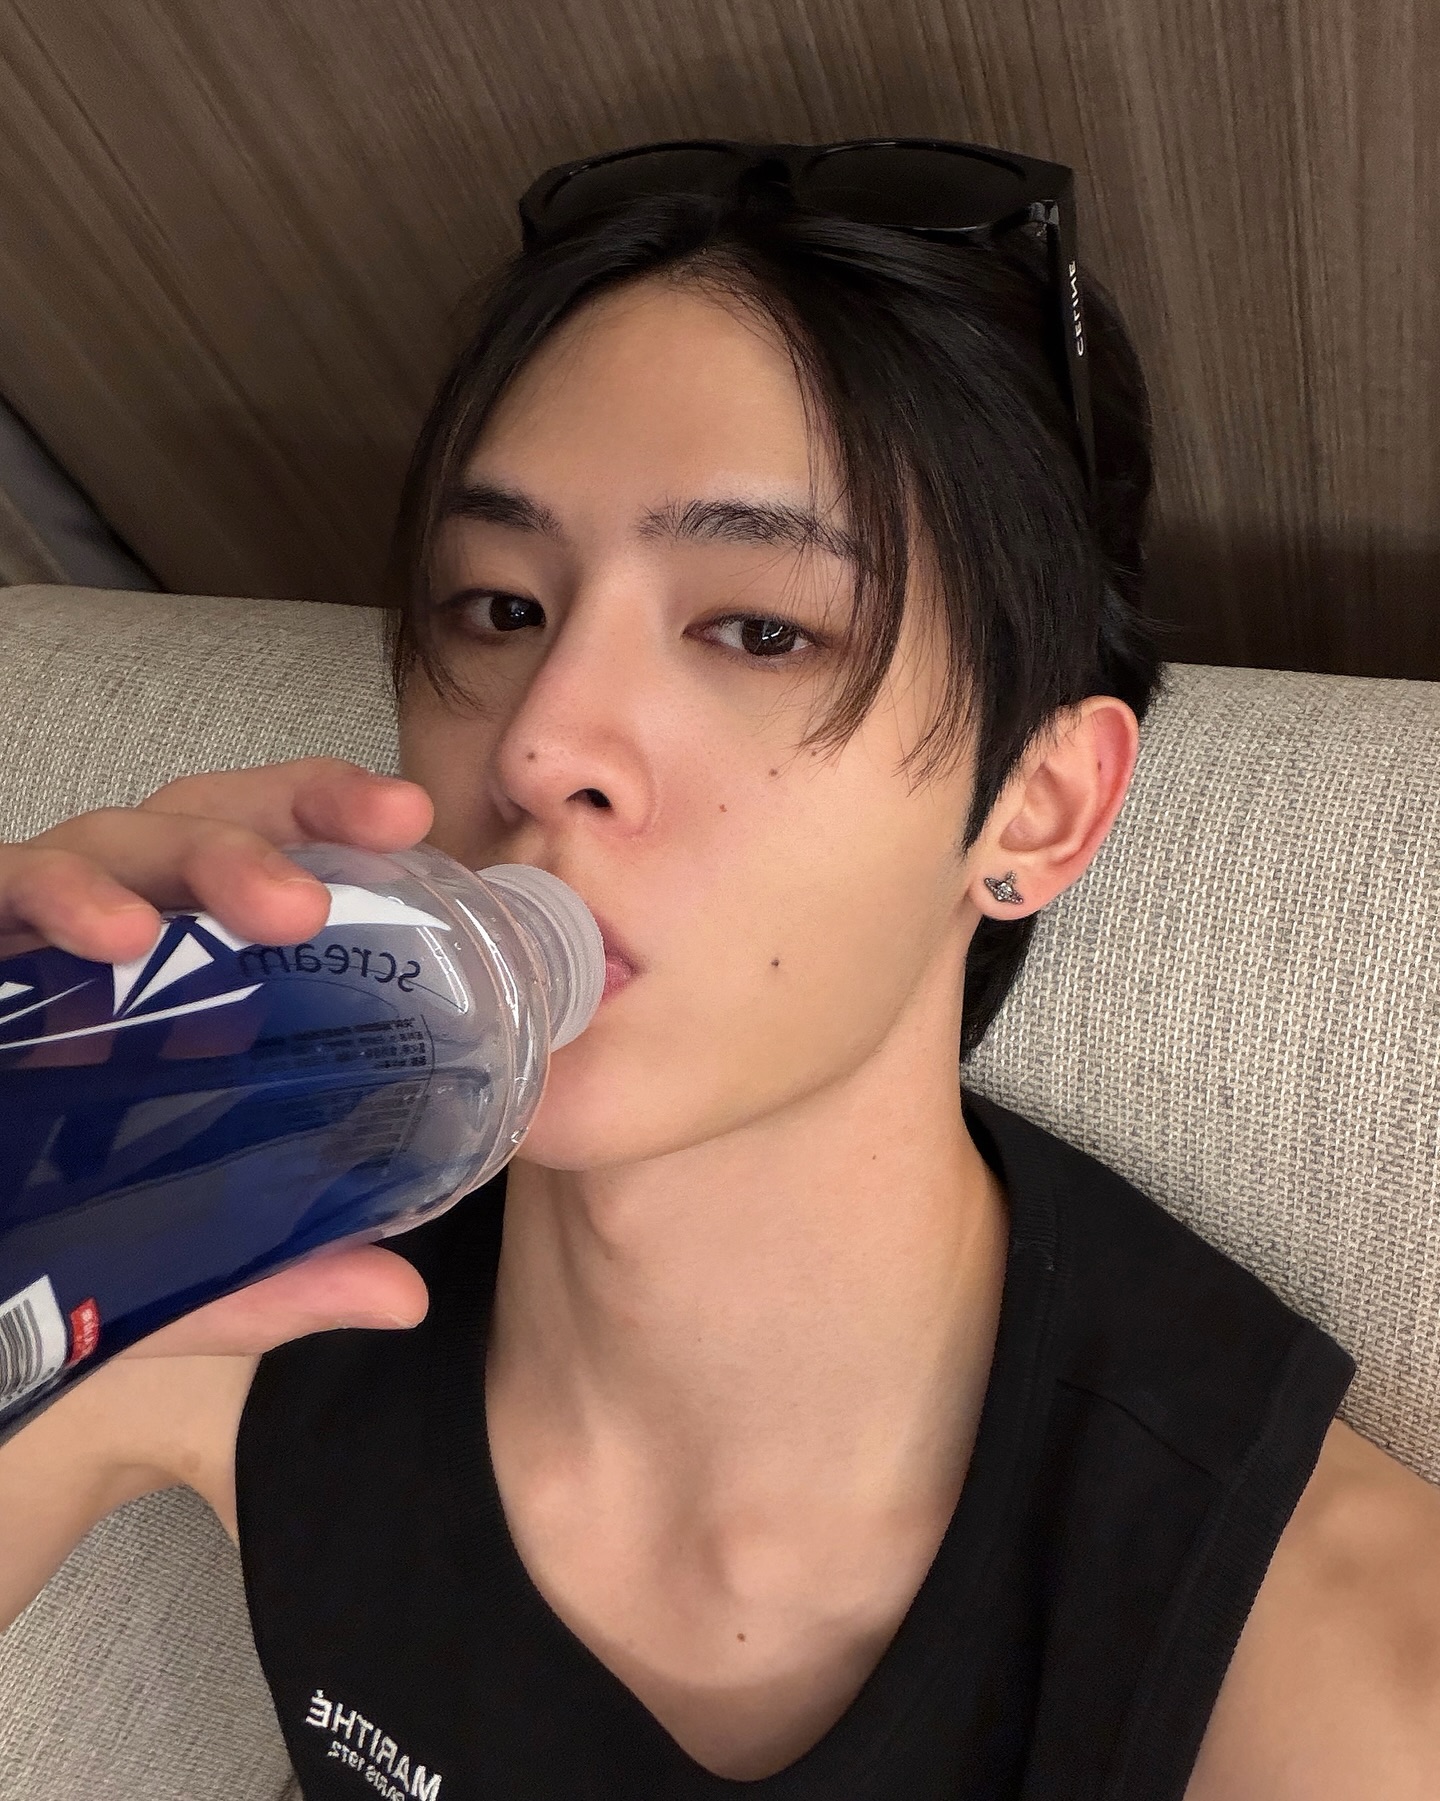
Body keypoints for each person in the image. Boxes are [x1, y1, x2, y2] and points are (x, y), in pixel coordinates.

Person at [2, 138, 1438, 1799]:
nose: (539, 746)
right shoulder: (224, 1248)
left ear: (1038, 809)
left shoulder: (1326, 1671)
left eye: (760, 629)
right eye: (498, 607)